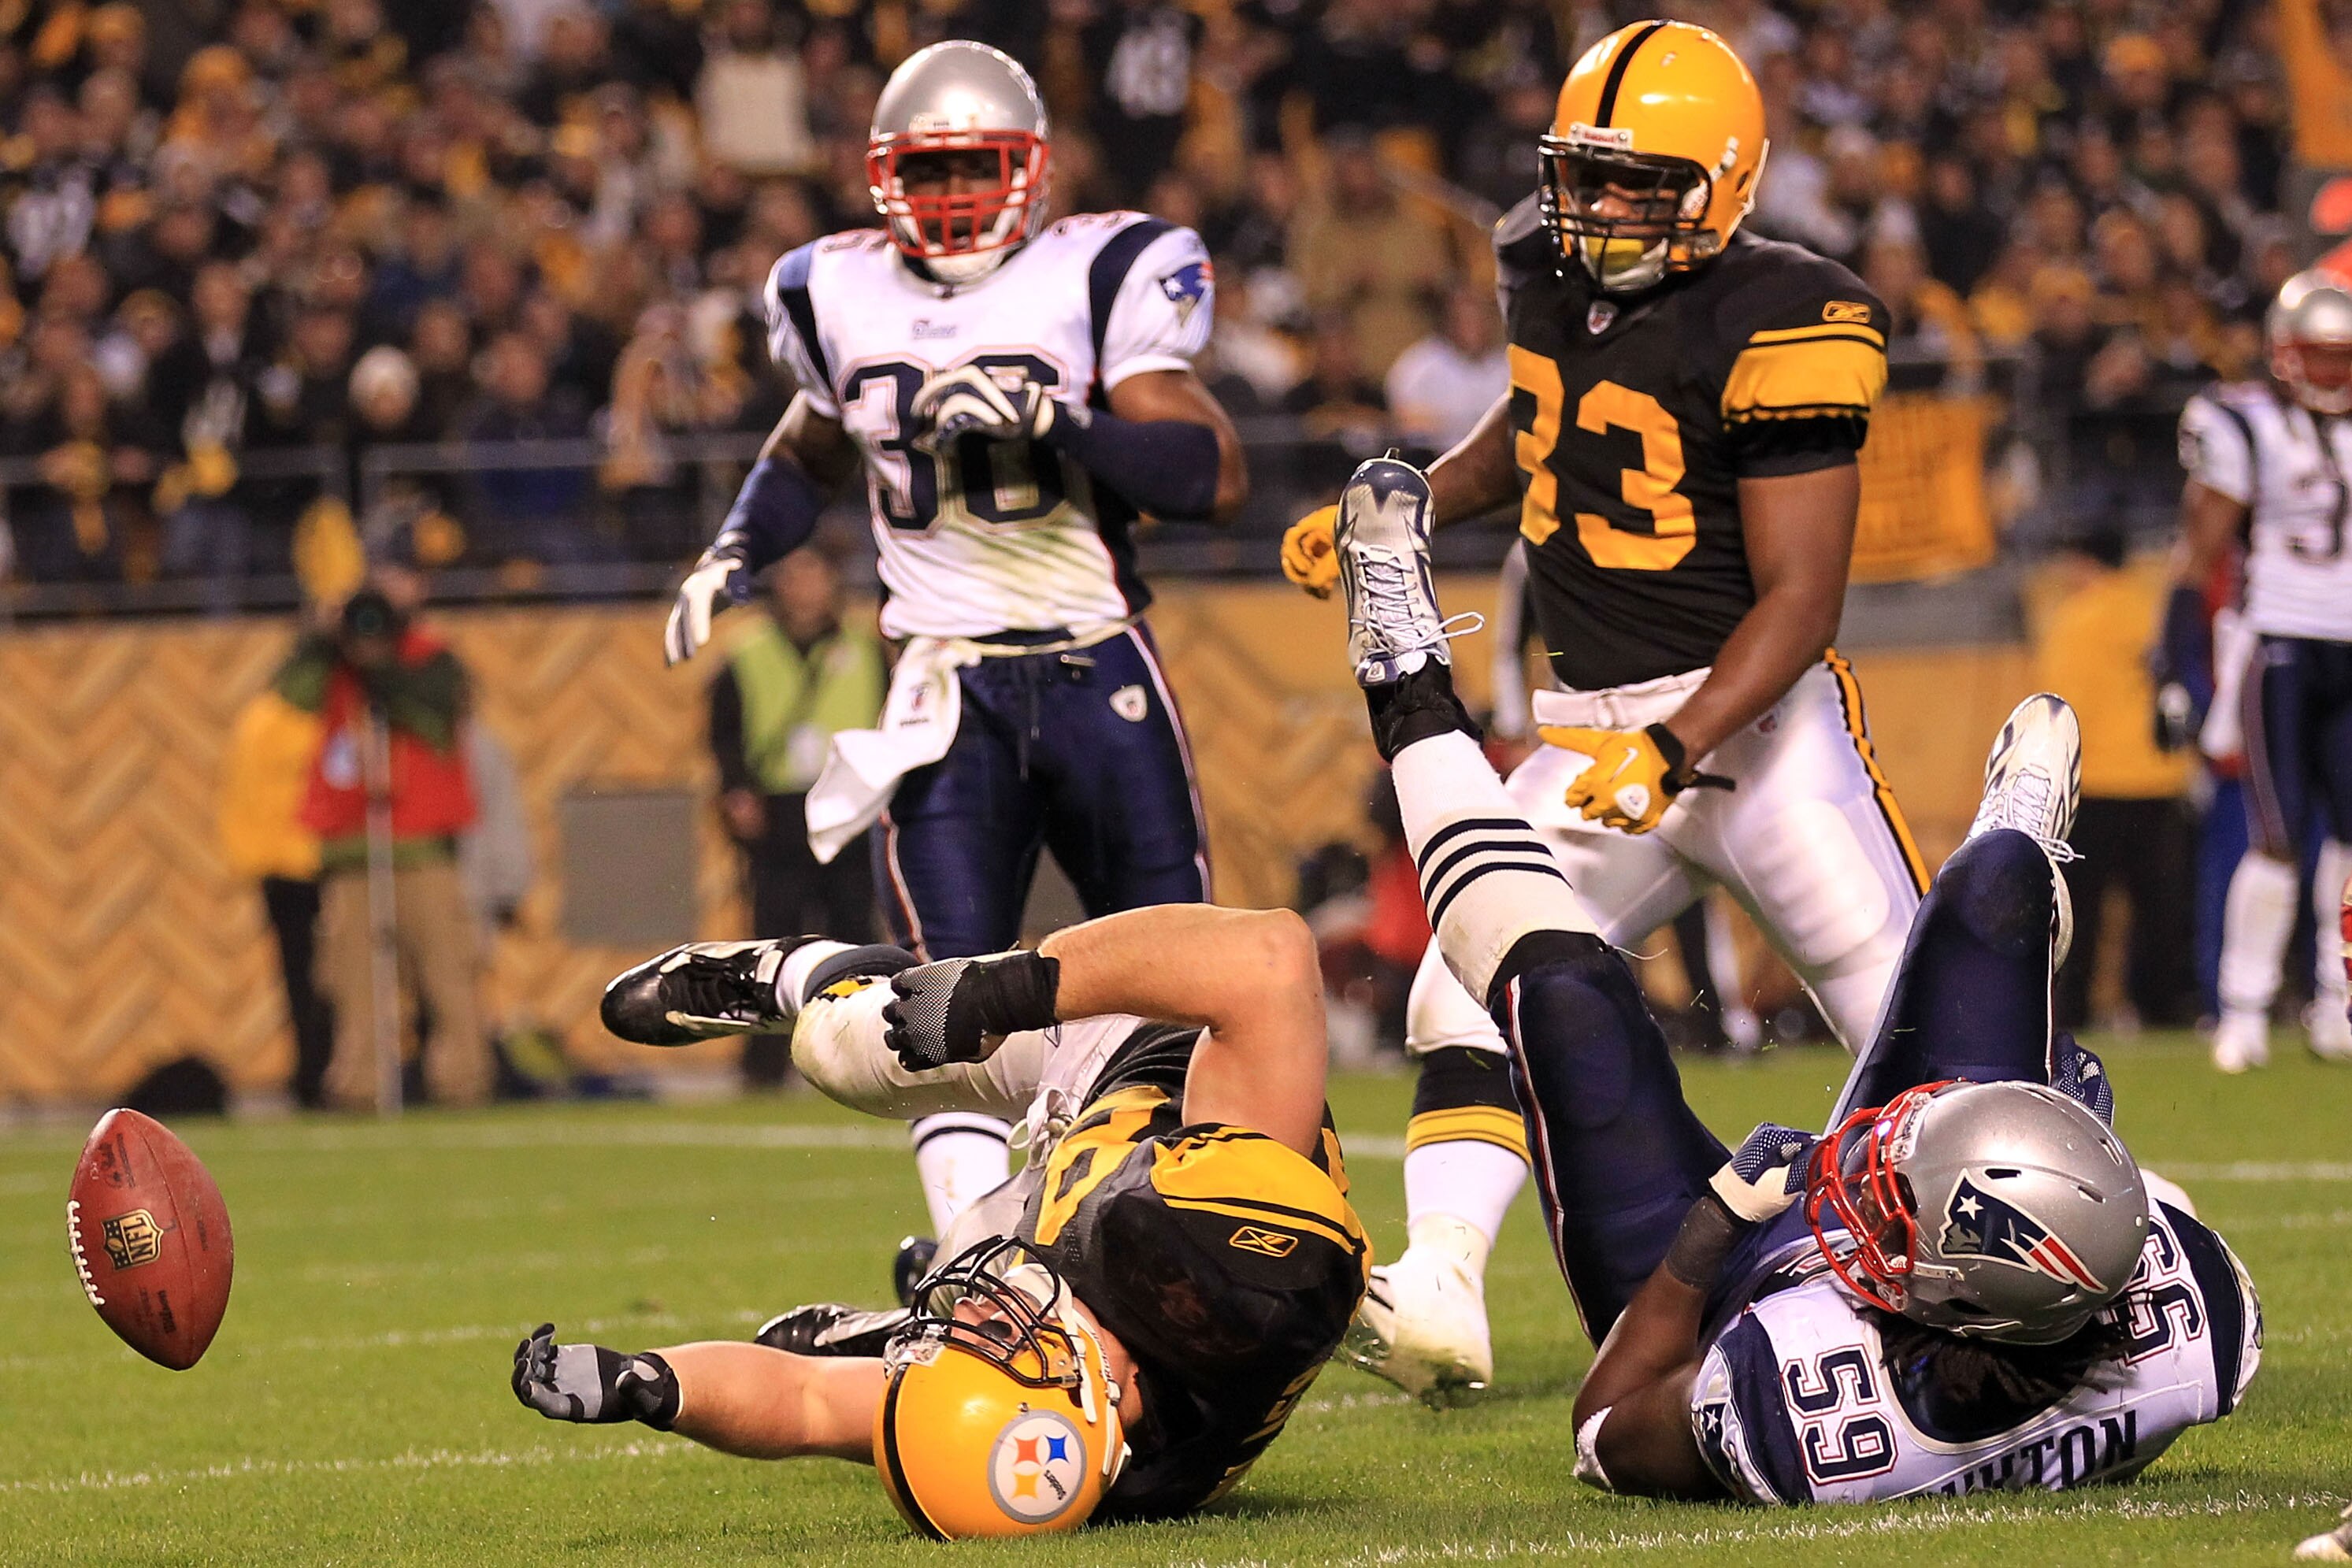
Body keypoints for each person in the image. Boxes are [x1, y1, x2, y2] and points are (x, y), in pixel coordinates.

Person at [1328, 458, 2258, 1503]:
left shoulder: (1811, 1411)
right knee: (1991, 885)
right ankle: (2023, 890)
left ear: (1935, 1296)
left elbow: (1601, 1426)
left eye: (1891, 1197)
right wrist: (2061, 1133)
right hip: (1985, 1271)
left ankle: (1400, 672)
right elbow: (2118, 1239)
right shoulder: (2197, 1312)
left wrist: (1710, 1233)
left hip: (1723, 1293)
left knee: (1560, 984)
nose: (1860, 1158)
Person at [1281, 22, 1923, 1404]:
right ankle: (1445, 1283)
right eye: (1590, 177)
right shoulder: (1542, 268)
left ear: (1725, 180)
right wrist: (1395, 501)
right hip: (1586, 735)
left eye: (1644, 184)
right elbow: (1535, 439)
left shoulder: (1784, 315)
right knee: (1461, 980)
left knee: (1916, 1036)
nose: (1605, 210)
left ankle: (2095, 1256)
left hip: (1752, 740)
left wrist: (1678, 744)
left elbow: (1803, 600)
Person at [660, 42, 1245, 1281]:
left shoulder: (1099, 271)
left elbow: (1210, 475)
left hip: (1095, 665)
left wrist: (1060, 422)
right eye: (928, 169)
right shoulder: (832, 287)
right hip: (942, 686)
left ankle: (1221, 1235)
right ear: (881, 175)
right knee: (940, 1002)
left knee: (1185, 977)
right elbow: (811, 444)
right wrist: (733, 549)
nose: (953, 194)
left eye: (977, 165)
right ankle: (986, 1264)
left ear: (1029, 166)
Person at [517, 896, 1366, 1537]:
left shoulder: (1060, 1434)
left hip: (1070, 1207)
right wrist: (1011, 990)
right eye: (1002, 1345)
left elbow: (810, 1401)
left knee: (926, 1238)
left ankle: (890, 1325)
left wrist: (652, 1383)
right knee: (865, 1049)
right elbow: (1270, 957)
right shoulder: (1230, 1271)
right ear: (1100, 1395)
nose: (984, 1320)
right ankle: (802, 972)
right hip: (1139, 1055)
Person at [2167, 269, 2352, 1071]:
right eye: (2320, 355)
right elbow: (2194, 556)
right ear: (2284, 354)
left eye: (2343, 356)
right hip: (2278, 640)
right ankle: (2240, 1007)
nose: (2333, 373)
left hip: (2348, 643)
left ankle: (2335, 1000)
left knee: (2350, 836)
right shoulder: (2242, 423)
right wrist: (2176, 667)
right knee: (2274, 833)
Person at [278, 584, 491, 1110]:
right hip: (352, 850)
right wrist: (319, 638)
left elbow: (437, 707)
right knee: (353, 982)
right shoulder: (331, 667)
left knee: (446, 973)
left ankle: (462, 1081)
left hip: (423, 850)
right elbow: (288, 692)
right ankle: (359, 1085)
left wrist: (382, 661)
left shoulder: (433, 662)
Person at [707, 545, 888, 1084]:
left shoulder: (866, 647)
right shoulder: (747, 649)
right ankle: (764, 1068)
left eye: (815, 572)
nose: (804, 586)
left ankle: (862, 1059)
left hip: (852, 804)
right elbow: (724, 728)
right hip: (778, 807)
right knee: (771, 942)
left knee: (854, 936)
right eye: (793, 574)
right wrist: (736, 789)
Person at [2033, 529, 2197, 1032]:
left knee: (2080, 914)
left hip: (2096, 782)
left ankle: (2073, 1014)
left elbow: (2058, 705)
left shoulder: (2076, 618)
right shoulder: (2150, 608)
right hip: (2158, 779)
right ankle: (2165, 1009)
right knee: (2162, 909)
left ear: (2083, 562)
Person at [217, 677, 334, 1108]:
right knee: (302, 980)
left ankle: (341, 1074)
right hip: (291, 871)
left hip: (337, 862)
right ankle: (313, 1076)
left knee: (341, 981)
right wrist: (258, 860)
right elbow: (244, 799)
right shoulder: (265, 719)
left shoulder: (345, 707)